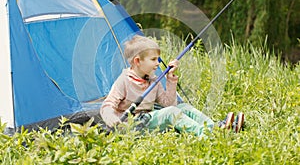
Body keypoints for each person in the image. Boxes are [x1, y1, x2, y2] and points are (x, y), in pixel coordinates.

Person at [100, 35, 244, 137]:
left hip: (148, 119)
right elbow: (107, 106)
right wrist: (111, 118)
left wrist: (170, 81)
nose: (158, 63)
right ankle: (208, 135)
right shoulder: (123, 81)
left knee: (182, 107)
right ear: (138, 61)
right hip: (133, 126)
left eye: (158, 59)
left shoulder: (153, 80)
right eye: (153, 59)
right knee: (170, 113)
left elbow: (169, 103)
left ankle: (216, 127)